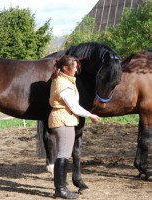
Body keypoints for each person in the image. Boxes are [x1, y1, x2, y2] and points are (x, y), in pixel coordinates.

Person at [48, 55, 100, 199]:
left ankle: (61, 188)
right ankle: (61, 190)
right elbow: (75, 107)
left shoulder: (62, 79)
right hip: (64, 120)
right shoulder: (63, 84)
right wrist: (91, 115)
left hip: (64, 119)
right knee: (63, 155)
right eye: (74, 67)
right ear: (65, 68)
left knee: (62, 154)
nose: (76, 69)